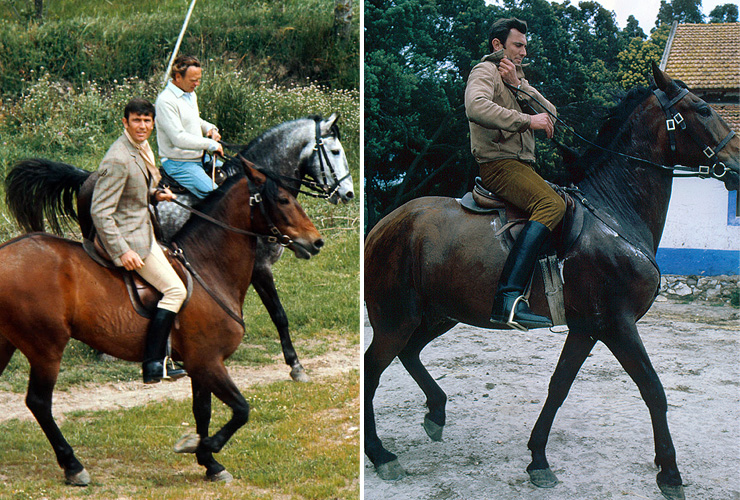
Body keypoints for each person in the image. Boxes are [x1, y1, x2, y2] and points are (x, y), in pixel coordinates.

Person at [464, 17, 566, 331]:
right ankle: (506, 298)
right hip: (499, 165)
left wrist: (519, 86)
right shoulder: (485, 72)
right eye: (517, 45)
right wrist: (526, 121)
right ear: (498, 45)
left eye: (524, 46)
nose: (523, 51)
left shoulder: (514, 79)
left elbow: (550, 113)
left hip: (522, 167)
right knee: (552, 205)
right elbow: (476, 107)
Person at [91, 98, 188, 384]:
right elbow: (100, 211)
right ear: (125, 122)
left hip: (144, 228)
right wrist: (123, 251)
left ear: (153, 123)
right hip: (132, 238)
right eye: (136, 120)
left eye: (147, 121)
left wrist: (156, 195)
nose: (142, 126)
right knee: (175, 291)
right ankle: (154, 363)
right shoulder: (118, 159)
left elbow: (134, 193)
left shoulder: (142, 147)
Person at [155, 55, 224, 199]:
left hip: (199, 158)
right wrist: (211, 144)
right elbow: (178, 138)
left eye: (198, 79)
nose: (197, 84)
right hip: (179, 164)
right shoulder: (166, 101)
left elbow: (194, 120)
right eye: (193, 80)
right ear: (178, 77)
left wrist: (210, 129)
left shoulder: (190, 94)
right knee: (220, 200)